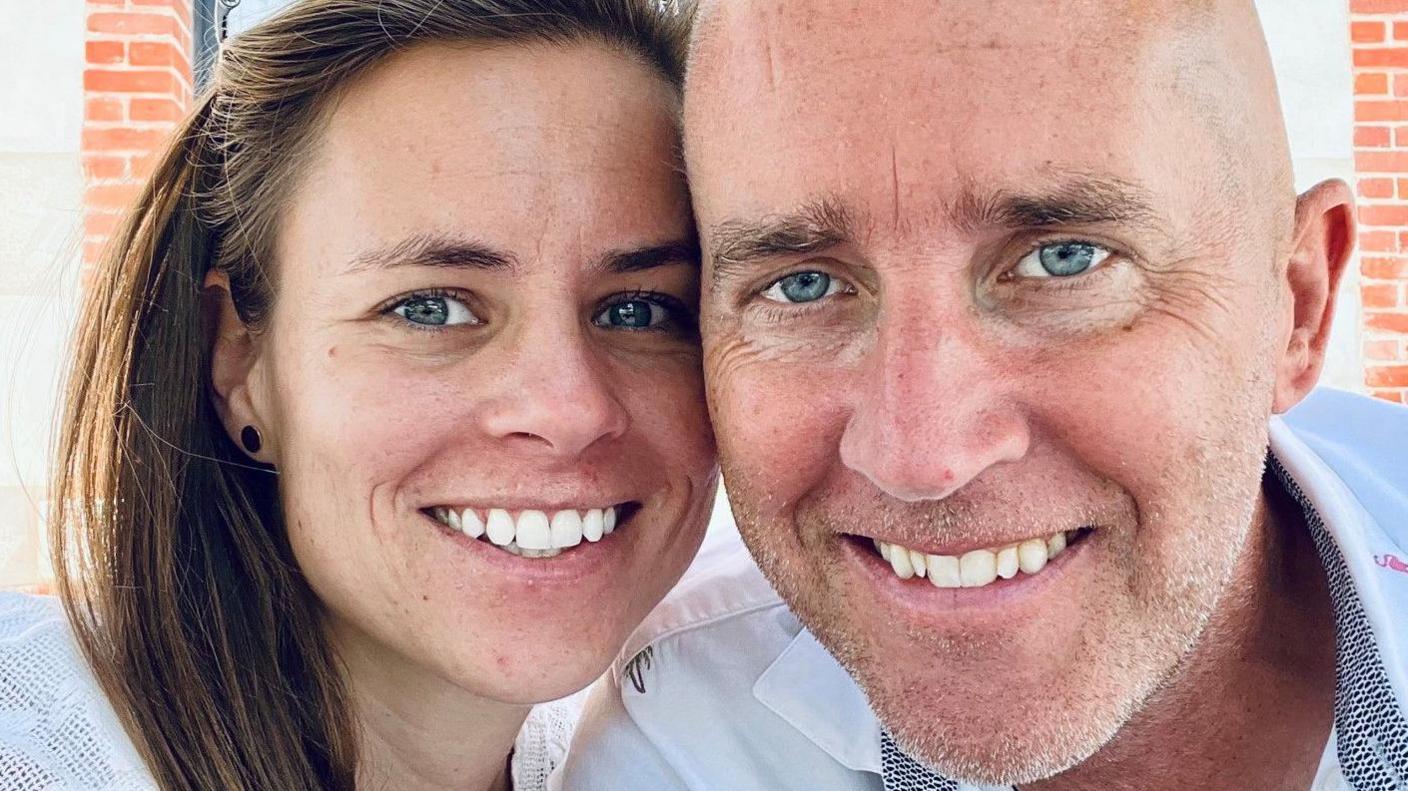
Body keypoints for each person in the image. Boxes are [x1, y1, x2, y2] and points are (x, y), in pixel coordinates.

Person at [558, 1, 1408, 789]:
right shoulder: (686, 741)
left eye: (1062, 260)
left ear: (1296, 306)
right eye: (805, 285)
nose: (922, 457)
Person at [0, 1, 717, 789]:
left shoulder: (667, 755)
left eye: (639, 309)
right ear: (237, 360)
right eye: (429, 308)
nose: (569, 408)